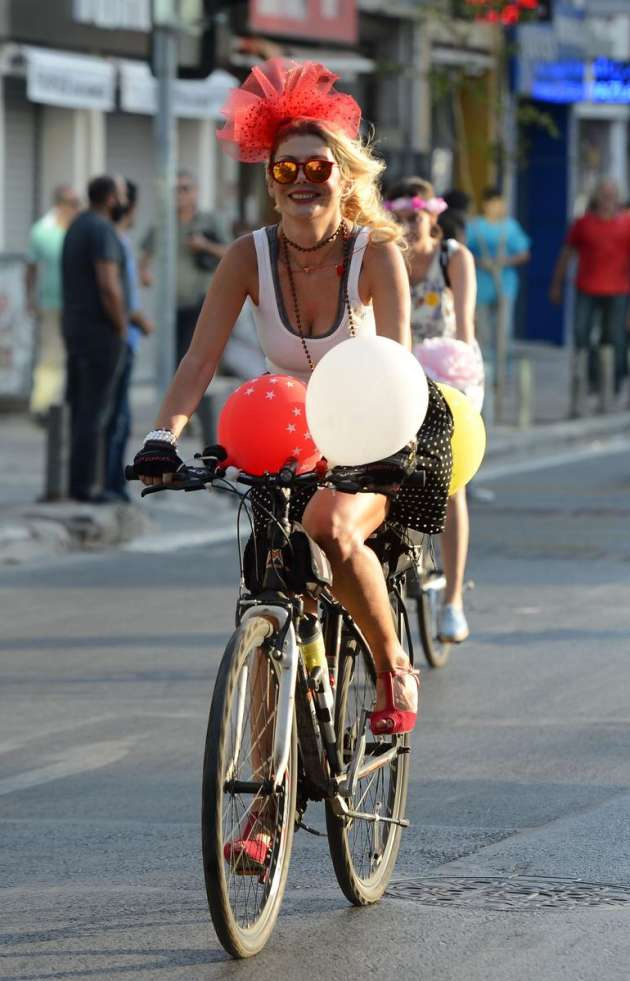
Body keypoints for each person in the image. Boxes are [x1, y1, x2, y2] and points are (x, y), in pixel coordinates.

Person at [131, 58, 454, 871]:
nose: (305, 181)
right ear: (271, 185)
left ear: (344, 181)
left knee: (330, 530)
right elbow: (199, 364)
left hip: (386, 429)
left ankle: (393, 670)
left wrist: (386, 446)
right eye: (289, 170)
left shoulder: (373, 253)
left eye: (320, 168)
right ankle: (268, 809)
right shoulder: (248, 256)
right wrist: (165, 435)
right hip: (289, 432)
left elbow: (396, 369)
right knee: (269, 580)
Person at [384, 177, 481, 644]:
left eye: (414, 218)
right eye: (398, 218)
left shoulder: (453, 258)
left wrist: (454, 381)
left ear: (433, 216)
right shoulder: (387, 257)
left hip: (449, 373)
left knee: (450, 482)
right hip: (399, 374)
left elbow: (464, 325)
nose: (406, 226)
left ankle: (454, 601)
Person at [61, 175, 128, 503]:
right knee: (96, 412)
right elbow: (108, 285)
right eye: (123, 195)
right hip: (99, 334)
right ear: (112, 199)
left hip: (75, 329)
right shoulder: (101, 230)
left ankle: (78, 483)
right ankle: (88, 487)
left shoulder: (77, 225)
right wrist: (120, 326)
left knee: (81, 409)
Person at [550, 178, 630, 403]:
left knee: (613, 337)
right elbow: (567, 253)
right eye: (603, 195)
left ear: (617, 198)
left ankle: (613, 383)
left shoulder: (627, 223)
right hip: (586, 288)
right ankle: (591, 380)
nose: (607, 199)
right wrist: (556, 284)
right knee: (582, 334)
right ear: (597, 197)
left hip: (618, 290)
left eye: (611, 195)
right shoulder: (583, 223)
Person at [139, 169, 230, 368]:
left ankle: (194, 398)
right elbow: (144, 253)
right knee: (171, 357)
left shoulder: (209, 220)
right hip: (170, 302)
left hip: (201, 299)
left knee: (193, 357)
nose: (180, 194)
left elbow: (231, 253)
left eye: (185, 189)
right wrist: (144, 273)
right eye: (175, 190)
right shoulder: (164, 222)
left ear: (196, 191)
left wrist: (205, 245)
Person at [105, 179, 155, 501]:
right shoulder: (115, 240)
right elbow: (116, 292)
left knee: (119, 417)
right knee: (117, 417)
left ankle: (112, 482)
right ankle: (112, 483)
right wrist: (137, 321)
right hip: (123, 337)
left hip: (128, 337)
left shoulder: (121, 240)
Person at [25, 185, 80, 419]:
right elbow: (31, 268)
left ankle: (66, 402)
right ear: (60, 204)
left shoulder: (79, 227)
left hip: (79, 304)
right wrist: (30, 299)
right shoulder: (42, 231)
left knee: (75, 355)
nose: (77, 208)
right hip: (52, 303)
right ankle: (42, 406)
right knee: (51, 356)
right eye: (73, 203)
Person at [467, 186, 530, 357]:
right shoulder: (475, 226)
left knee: (503, 330)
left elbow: (524, 253)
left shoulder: (510, 227)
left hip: (505, 284)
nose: (496, 207)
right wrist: (479, 262)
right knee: (483, 331)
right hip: (481, 284)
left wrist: (505, 261)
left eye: (499, 203)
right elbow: (462, 250)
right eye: (492, 203)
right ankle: (486, 366)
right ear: (485, 205)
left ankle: (502, 371)